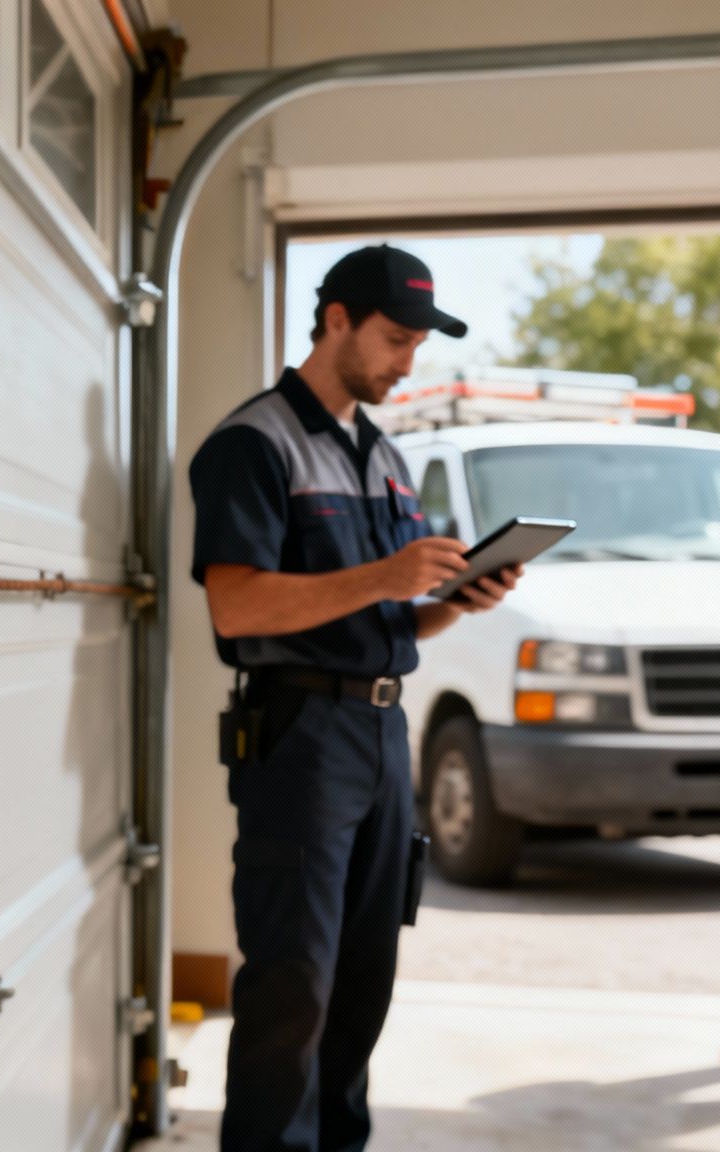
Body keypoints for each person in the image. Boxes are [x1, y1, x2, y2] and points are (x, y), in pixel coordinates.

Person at [189, 245, 520, 1152]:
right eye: (396, 338)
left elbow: (391, 622)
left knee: (362, 983)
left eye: (419, 343)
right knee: (292, 984)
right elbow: (237, 602)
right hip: (299, 736)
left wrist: (453, 602)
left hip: (381, 732)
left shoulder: (386, 458)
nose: (409, 362)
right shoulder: (252, 444)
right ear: (335, 320)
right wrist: (386, 576)